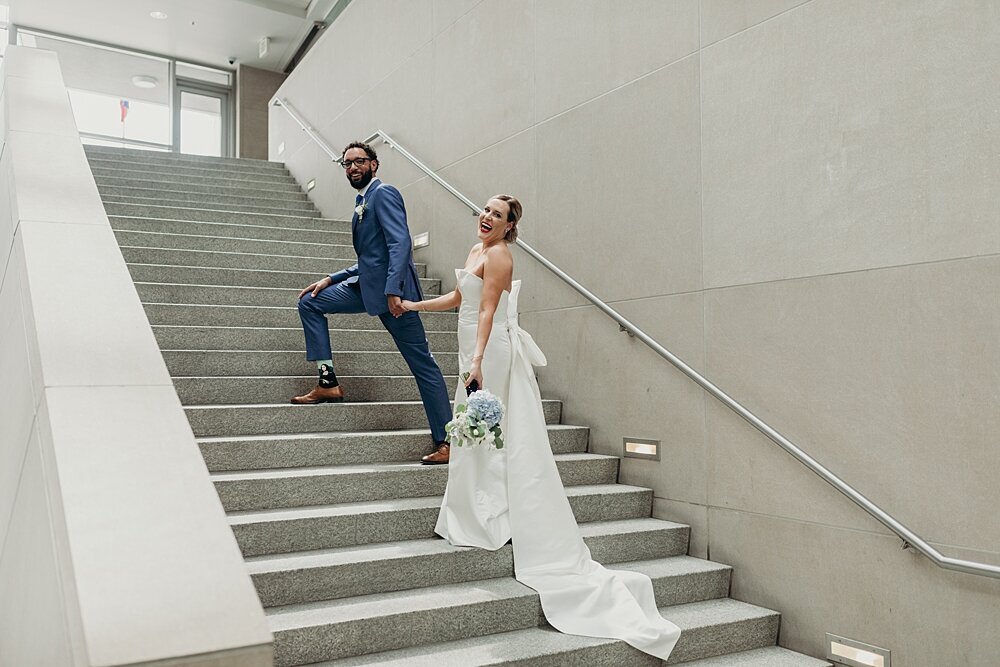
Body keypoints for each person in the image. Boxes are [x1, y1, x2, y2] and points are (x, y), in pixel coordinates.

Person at [400, 196, 682, 660]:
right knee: (474, 432)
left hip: (488, 351)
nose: (486, 217)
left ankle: (492, 513)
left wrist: (477, 362)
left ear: (510, 227)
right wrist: (413, 306)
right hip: (471, 344)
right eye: (484, 210)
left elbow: (488, 310)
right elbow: (460, 299)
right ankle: (471, 509)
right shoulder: (476, 252)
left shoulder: (500, 256)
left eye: (497, 215)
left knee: (488, 432)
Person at [293, 141, 453, 458]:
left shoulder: (384, 193)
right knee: (310, 301)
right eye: (347, 163)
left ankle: (447, 440)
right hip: (366, 287)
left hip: (394, 296)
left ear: (374, 165)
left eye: (359, 161)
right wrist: (331, 278)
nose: (352, 167)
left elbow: (400, 244)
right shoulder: (361, 201)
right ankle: (327, 381)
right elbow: (370, 259)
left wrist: (394, 291)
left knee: (423, 366)